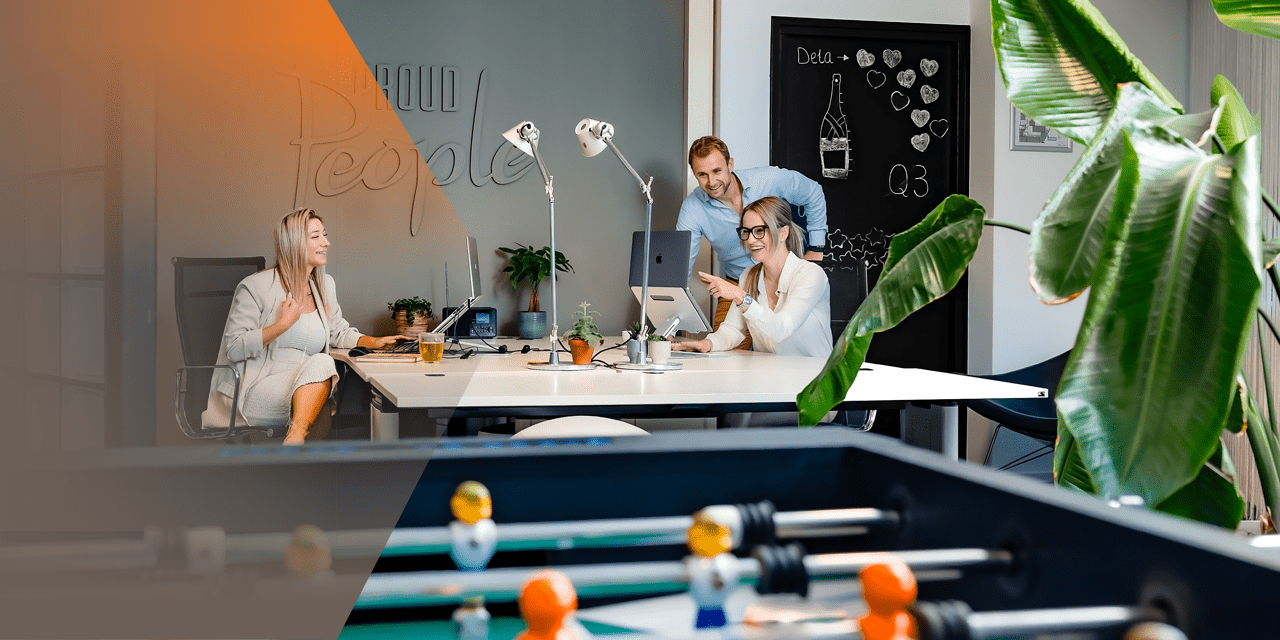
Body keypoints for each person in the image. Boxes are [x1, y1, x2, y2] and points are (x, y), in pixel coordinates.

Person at [202, 208, 404, 444]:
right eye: (316, 236)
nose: (326, 242)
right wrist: (282, 324)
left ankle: (294, 449)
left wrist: (375, 342)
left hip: (307, 386)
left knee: (323, 395)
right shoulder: (256, 287)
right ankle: (296, 441)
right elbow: (234, 348)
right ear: (294, 243)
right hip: (255, 389)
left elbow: (337, 332)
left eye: (324, 235)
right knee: (323, 371)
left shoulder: (324, 285)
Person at [676, 136, 828, 348]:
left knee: (785, 343)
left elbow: (813, 192)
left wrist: (817, 248)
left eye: (717, 171)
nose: (711, 182)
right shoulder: (693, 208)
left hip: (783, 277)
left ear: (730, 164)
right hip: (739, 280)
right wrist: (673, 325)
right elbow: (680, 268)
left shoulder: (767, 179)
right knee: (723, 353)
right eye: (702, 174)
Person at [674, 196, 832, 357]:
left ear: (783, 233)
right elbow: (732, 330)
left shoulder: (811, 274)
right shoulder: (749, 275)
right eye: (746, 231)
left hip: (816, 372)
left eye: (759, 231)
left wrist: (740, 296)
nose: (750, 240)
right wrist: (707, 344)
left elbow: (782, 329)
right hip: (771, 370)